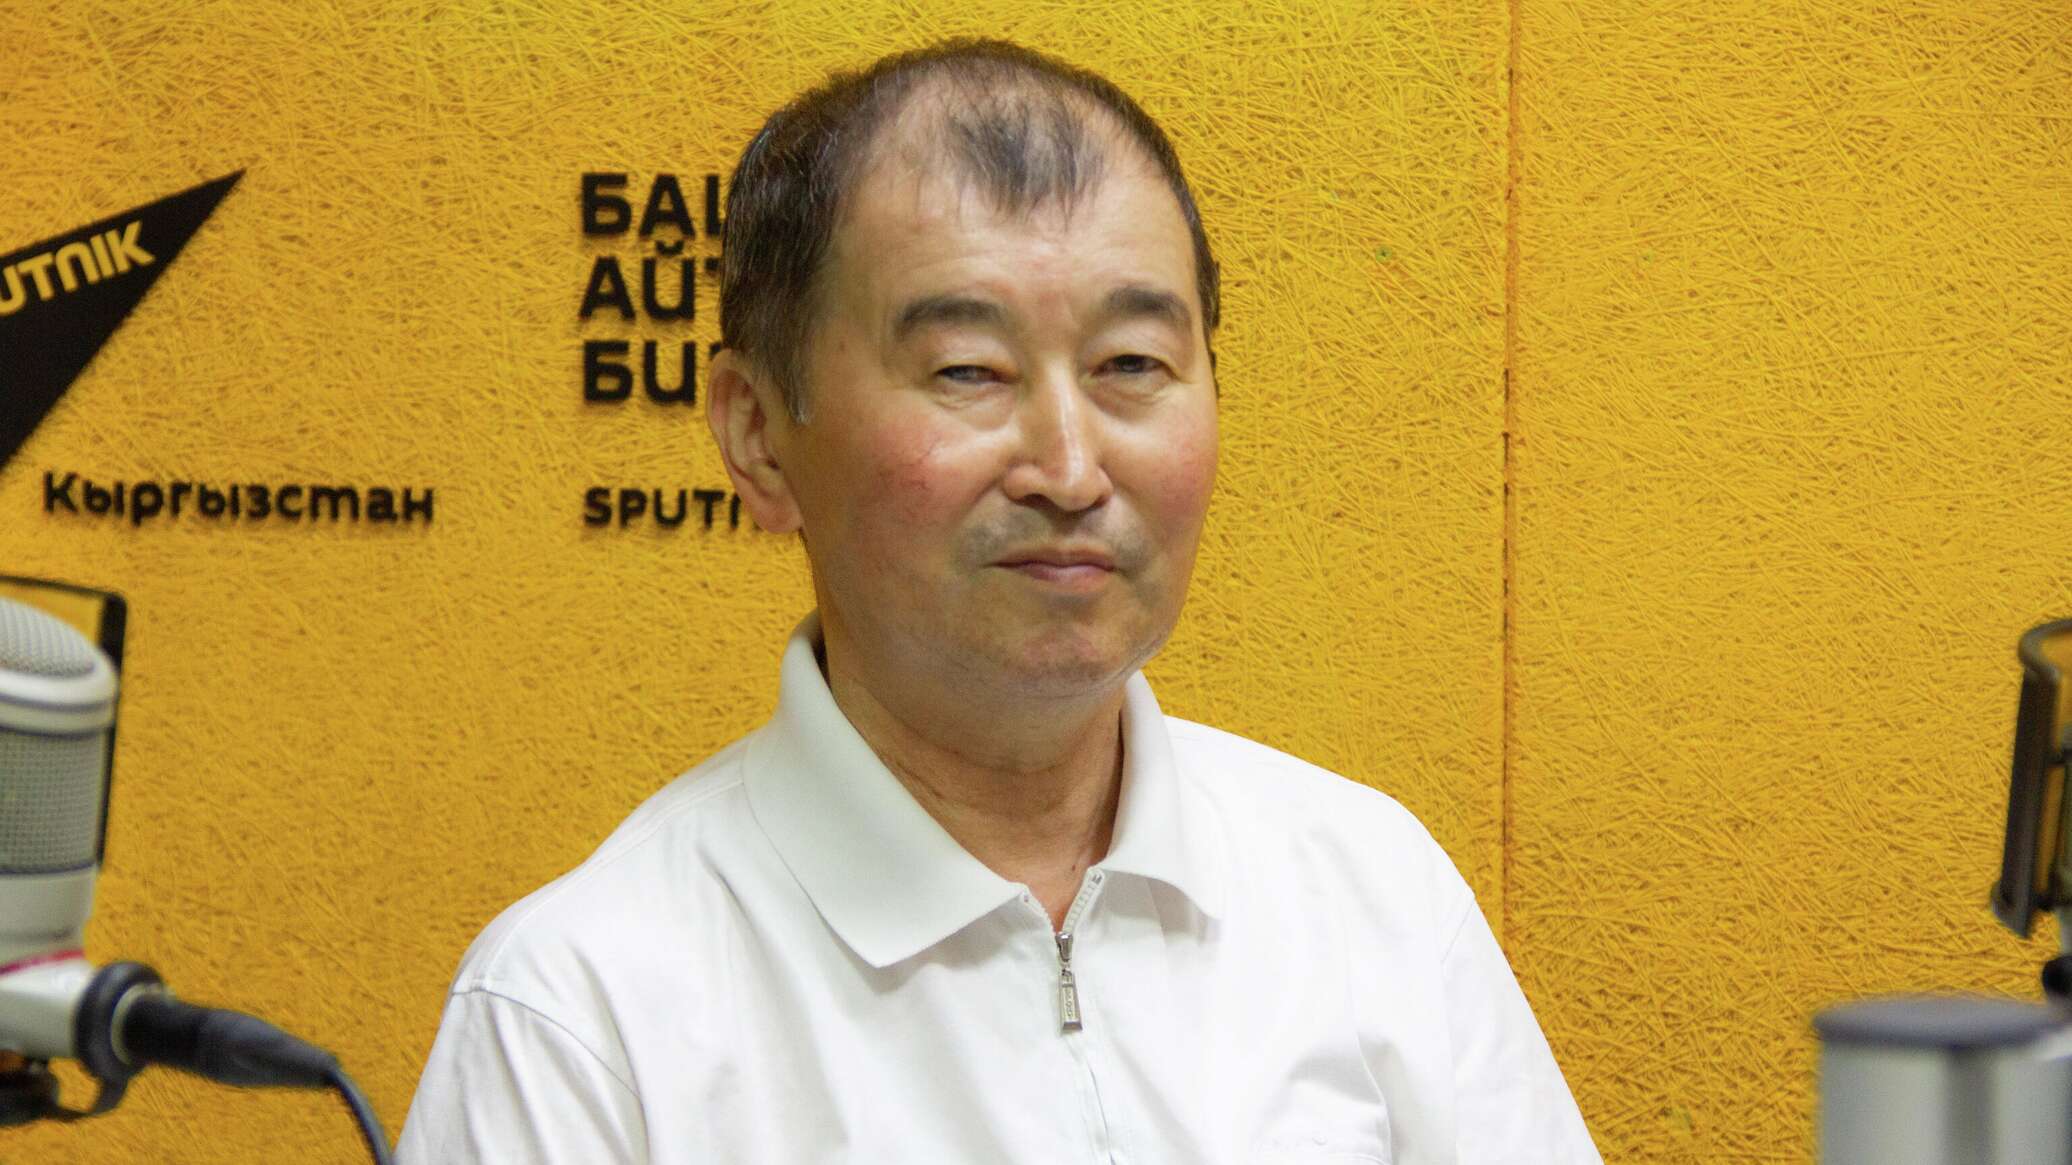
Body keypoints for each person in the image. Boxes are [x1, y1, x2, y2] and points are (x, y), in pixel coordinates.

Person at [398, 38, 1599, 1164]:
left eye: (1130, 366)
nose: (1068, 469)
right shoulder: (581, 1016)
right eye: (967, 371)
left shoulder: (1369, 893)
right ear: (757, 434)